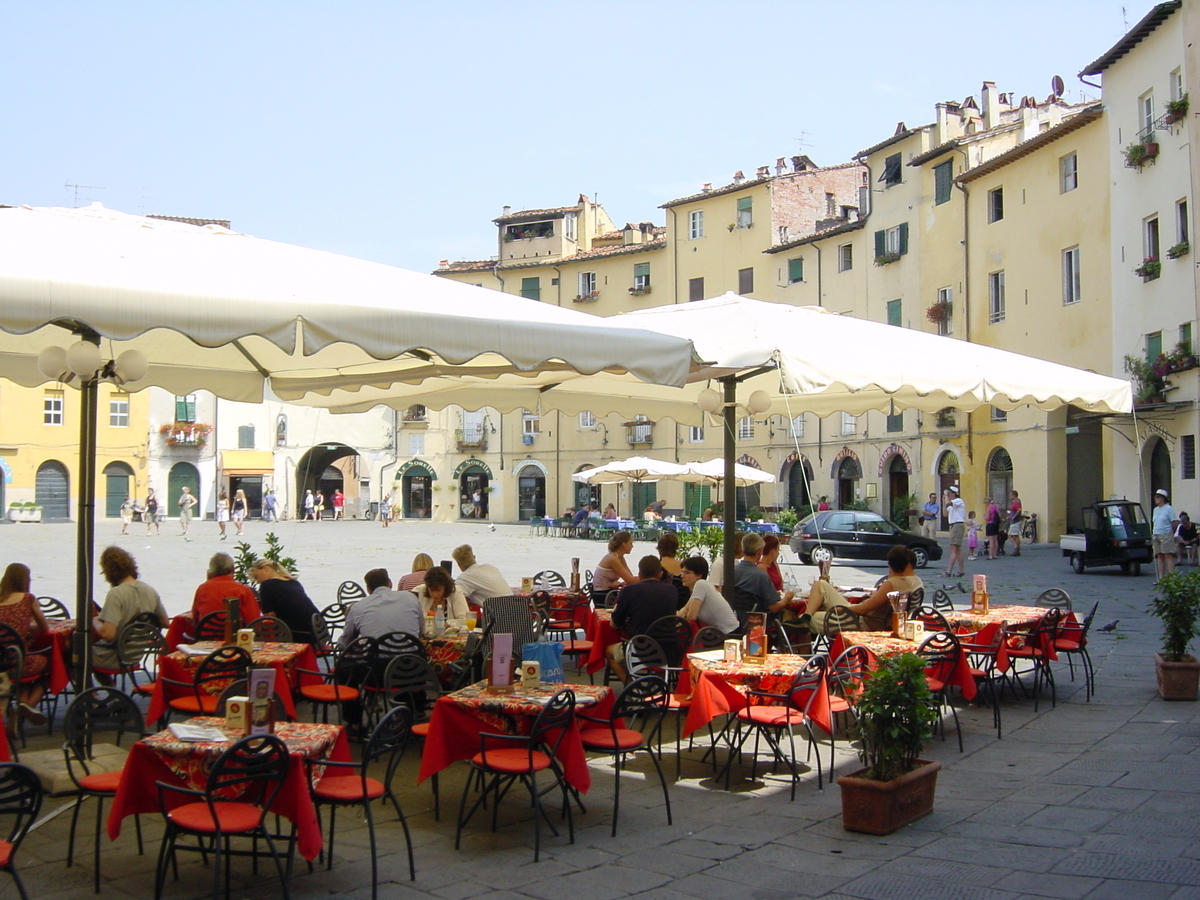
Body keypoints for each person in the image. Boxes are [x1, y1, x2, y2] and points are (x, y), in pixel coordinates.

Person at [795, 545, 923, 634]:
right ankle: (807, 614)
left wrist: (838, 609)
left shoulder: (892, 584)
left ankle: (805, 619)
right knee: (820, 584)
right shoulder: (917, 582)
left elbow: (863, 609)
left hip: (863, 622)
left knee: (809, 619)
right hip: (870, 617)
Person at [92, 546, 169, 679]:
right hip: (136, 653)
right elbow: (165, 622)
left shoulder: (116, 594)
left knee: (74, 651)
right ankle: (110, 693)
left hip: (114, 655)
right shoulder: (149, 590)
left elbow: (108, 635)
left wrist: (95, 621)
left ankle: (92, 693)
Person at [608, 556, 681, 682]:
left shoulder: (629, 590)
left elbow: (614, 624)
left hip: (640, 651)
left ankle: (634, 688)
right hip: (669, 651)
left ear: (640, 575)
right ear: (660, 574)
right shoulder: (672, 590)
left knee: (609, 652)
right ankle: (659, 685)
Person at [0, 563, 50, 722]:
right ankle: (25, 708)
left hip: (2, 663)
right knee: (52, 665)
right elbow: (44, 628)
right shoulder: (28, 599)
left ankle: (19, 711)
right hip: (19, 662)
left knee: (25, 674)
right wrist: (27, 628)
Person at [339, 568, 424, 650]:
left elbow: (346, 641)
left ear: (368, 589)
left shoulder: (358, 607)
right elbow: (421, 632)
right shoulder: (410, 598)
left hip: (375, 662)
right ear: (390, 583)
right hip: (411, 659)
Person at [250, 558, 319, 645]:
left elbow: (270, 619)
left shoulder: (267, 585)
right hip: (316, 632)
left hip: (298, 635)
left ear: (265, 568)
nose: (258, 581)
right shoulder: (293, 582)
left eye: (256, 576)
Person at [730, 533, 789, 627]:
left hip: (736, 619)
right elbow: (774, 607)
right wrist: (787, 598)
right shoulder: (760, 576)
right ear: (758, 552)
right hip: (761, 622)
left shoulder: (731, 571)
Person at [191, 552, 261, 623]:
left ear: (211, 571)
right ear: (233, 569)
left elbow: (195, 618)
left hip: (206, 633)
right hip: (234, 633)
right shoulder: (242, 590)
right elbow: (254, 621)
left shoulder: (202, 589)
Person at [679, 556, 739, 635]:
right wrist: (681, 614)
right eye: (682, 572)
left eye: (686, 573)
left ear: (699, 575)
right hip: (719, 634)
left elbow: (692, 616)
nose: (682, 576)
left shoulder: (701, 584)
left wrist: (680, 618)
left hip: (729, 634)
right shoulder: (701, 586)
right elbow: (686, 608)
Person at [1152, 488, 1179, 583]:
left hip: (1166, 533)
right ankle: (1161, 578)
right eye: (1155, 497)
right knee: (1159, 555)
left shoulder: (1168, 508)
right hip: (1156, 533)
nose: (1155, 498)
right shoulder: (1155, 510)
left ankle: (1172, 578)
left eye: (1158, 497)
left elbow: (1174, 522)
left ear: (1163, 498)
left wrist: (1171, 533)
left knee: (1168, 555)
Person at [943, 485, 966, 577]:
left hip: (957, 525)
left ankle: (949, 571)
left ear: (953, 494)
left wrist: (946, 496)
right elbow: (945, 514)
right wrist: (943, 501)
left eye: (949, 493)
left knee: (953, 548)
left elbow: (948, 503)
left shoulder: (958, 501)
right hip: (953, 525)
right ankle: (961, 571)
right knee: (957, 549)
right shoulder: (952, 503)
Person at [1007, 490, 1024, 556]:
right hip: (1014, 520)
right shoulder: (1015, 502)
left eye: (1011, 495)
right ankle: (1017, 548)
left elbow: (1019, 510)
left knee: (1011, 535)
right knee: (1014, 535)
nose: (1010, 496)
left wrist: (1014, 516)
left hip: (1015, 521)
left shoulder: (1016, 502)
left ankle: (1016, 547)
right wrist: (1009, 516)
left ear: (1014, 495)